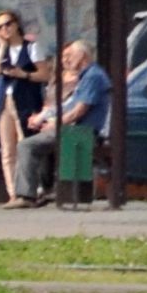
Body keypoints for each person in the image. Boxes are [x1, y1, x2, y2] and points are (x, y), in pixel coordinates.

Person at [0, 10, 54, 204]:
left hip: (26, 100)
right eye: (0, 27)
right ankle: (13, 193)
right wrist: (2, 48)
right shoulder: (3, 50)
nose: (5, 29)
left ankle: (31, 190)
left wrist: (23, 74)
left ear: (17, 24)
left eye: (8, 24)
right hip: (5, 101)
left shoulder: (31, 47)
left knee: (25, 142)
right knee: (7, 149)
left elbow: (44, 75)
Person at [56, 27, 111, 203]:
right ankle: (47, 188)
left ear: (82, 56)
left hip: (85, 130)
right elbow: (69, 105)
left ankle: (36, 192)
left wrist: (57, 124)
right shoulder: (86, 75)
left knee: (29, 145)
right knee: (36, 139)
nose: (68, 59)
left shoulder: (93, 76)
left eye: (71, 55)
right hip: (77, 127)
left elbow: (80, 110)